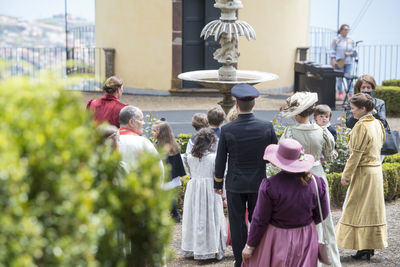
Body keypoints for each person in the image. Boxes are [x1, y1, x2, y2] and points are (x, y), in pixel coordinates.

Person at [214, 83, 278, 267]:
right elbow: (273, 155)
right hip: (259, 182)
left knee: (236, 222)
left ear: (236, 104)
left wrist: (218, 183)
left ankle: (240, 260)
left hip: (235, 183)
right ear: (254, 104)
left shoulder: (227, 130)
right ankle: (259, 256)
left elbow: (220, 160)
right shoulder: (266, 127)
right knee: (258, 220)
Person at [241, 139, 330, 267]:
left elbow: (260, 219)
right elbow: (323, 213)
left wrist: (250, 245)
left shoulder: (270, 185)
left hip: (278, 237)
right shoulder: (317, 183)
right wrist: (304, 222)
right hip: (306, 235)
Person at [280, 92, 341, 267]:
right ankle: (326, 260)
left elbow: (283, 158)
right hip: (317, 175)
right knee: (323, 217)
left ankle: (301, 259)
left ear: (298, 114)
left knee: (298, 217)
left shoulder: (289, 132)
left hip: (296, 177)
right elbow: (330, 156)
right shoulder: (322, 131)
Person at [336, 93, 387, 260]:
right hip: (375, 171)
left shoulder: (361, 126)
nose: (351, 112)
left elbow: (355, 155)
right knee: (371, 210)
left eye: (353, 108)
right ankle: (368, 247)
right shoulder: (378, 123)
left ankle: (363, 247)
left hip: (364, 172)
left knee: (356, 208)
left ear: (363, 109)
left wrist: (346, 175)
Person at [181, 128, 227, 260]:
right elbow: (220, 176)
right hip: (210, 188)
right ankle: (211, 248)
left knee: (195, 217)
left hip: (194, 188)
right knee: (211, 217)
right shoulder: (214, 158)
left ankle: (194, 247)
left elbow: (190, 173)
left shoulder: (188, 157)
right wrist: (223, 195)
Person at [152, 120, 186, 222]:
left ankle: (173, 216)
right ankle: (175, 216)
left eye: (154, 131)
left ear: (160, 133)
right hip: (172, 175)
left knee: (166, 197)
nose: (152, 133)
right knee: (171, 197)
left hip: (165, 176)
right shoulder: (172, 144)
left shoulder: (160, 146)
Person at [118, 105, 163, 174]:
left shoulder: (108, 141)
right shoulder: (143, 142)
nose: (143, 123)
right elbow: (158, 170)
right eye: (141, 120)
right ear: (131, 122)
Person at [331, 24, 356, 100]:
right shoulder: (336, 40)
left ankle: (351, 93)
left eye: (348, 29)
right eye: (345, 29)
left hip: (348, 62)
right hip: (339, 62)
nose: (346, 31)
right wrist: (333, 60)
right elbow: (332, 50)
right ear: (341, 30)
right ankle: (340, 93)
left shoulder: (351, 40)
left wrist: (349, 53)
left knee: (349, 78)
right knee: (339, 79)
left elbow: (355, 51)